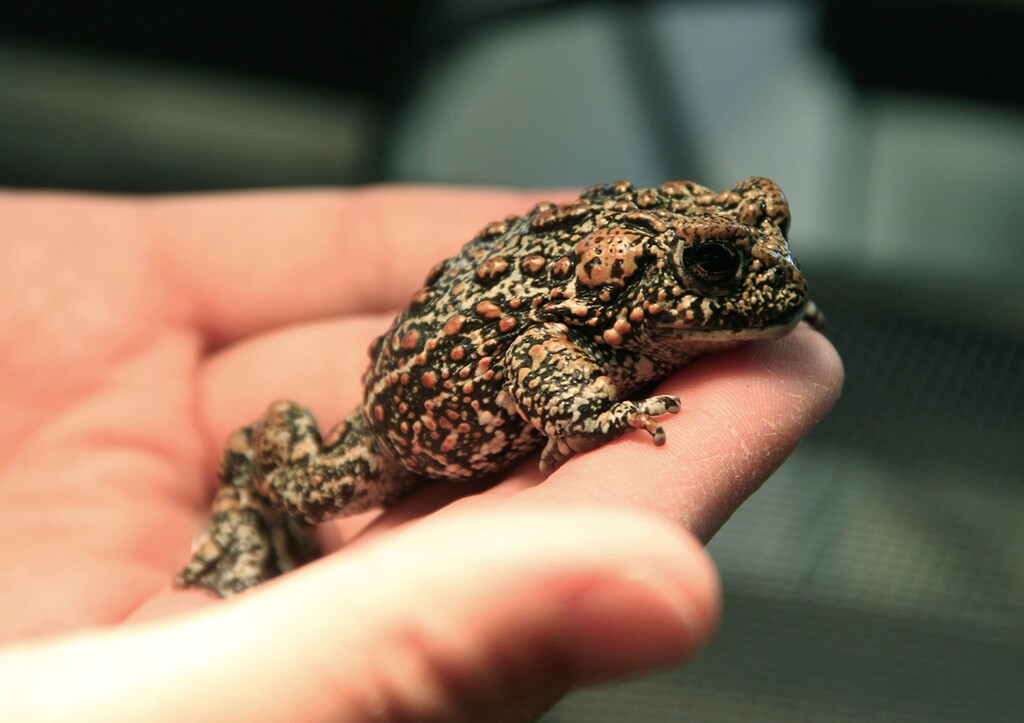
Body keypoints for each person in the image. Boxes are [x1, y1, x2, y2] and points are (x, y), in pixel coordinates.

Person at [0, 186, 842, 721]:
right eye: (716, 265)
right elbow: (532, 351)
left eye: (772, 235)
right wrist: (588, 410)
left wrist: (759, 303)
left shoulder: (640, 309)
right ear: (650, 278)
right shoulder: (592, 318)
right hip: (401, 430)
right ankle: (249, 486)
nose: (773, 267)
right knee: (315, 488)